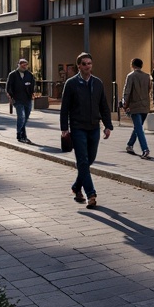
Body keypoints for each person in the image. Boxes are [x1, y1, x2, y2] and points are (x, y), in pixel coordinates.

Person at [59, 52, 113, 209]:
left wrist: (108, 125)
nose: (87, 66)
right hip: (77, 127)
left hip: (94, 127)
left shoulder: (98, 83)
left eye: (89, 63)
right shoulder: (71, 83)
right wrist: (64, 129)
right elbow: (65, 109)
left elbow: (103, 105)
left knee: (90, 159)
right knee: (82, 161)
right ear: (79, 66)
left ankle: (77, 187)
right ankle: (91, 194)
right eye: (84, 64)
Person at [120, 58, 152, 159]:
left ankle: (145, 149)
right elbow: (149, 89)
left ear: (132, 65)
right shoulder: (147, 76)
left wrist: (125, 104)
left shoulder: (131, 76)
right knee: (138, 127)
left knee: (139, 128)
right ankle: (130, 145)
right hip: (145, 105)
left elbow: (127, 91)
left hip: (135, 106)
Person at [6, 58, 37, 143]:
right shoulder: (12, 75)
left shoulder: (29, 75)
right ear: (19, 65)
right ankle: (20, 135)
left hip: (27, 99)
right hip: (17, 99)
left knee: (26, 117)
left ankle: (21, 133)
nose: (24, 66)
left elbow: (33, 85)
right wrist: (11, 96)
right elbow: (8, 87)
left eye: (26, 65)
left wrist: (33, 92)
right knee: (21, 116)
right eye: (22, 64)